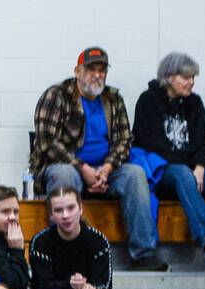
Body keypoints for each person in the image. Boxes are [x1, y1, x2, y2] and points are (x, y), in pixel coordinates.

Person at [30, 47, 165, 272]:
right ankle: (61, 251)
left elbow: (124, 140)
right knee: (65, 174)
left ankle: (143, 253)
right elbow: (47, 142)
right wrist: (83, 168)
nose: (97, 75)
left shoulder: (113, 99)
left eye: (102, 70)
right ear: (77, 71)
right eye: (91, 69)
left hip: (105, 170)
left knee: (135, 174)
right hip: (66, 167)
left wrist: (107, 168)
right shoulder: (56, 95)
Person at [132, 52, 205, 258]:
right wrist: (190, 169)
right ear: (168, 77)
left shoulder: (195, 102)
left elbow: (203, 140)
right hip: (163, 173)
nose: (191, 82)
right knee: (180, 172)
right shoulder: (148, 101)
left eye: (193, 77)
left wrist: (200, 167)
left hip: (191, 173)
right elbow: (152, 144)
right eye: (186, 77)